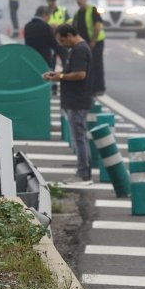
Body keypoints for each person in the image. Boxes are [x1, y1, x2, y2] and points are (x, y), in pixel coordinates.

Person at [44, 22, 94, 184]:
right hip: (75, 99)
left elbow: (80, 75)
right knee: (80, 138)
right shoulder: (78, 49)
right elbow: (71, 72)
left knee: (78, 138)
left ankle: (83, 173)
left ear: (70, 36)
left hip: (77, 100)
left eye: (62, 41)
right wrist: (57, 74)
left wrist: (62, 77)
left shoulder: (80, 50)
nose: (61, 45)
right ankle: (84, 170)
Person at [70, 0, 107, 100]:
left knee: (96, 64)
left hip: (97, 41)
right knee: (86, 65)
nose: (79, 1)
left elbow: (98, 25)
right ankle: (89, 87)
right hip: (84, 44)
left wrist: (93, 41)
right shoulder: (77, 14)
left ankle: (99, 88)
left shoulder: (93, 10)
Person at [22, 5, 60, 70]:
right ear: (45, 15)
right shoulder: (45, 27)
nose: (49, 19)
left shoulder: (27, 26)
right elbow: (54, 45)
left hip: (30, 61)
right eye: (49, 16)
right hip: (44, 62)